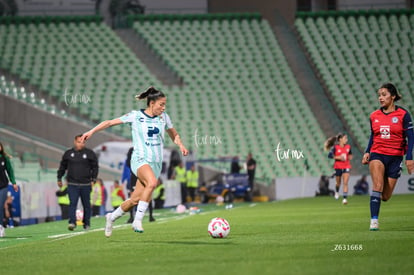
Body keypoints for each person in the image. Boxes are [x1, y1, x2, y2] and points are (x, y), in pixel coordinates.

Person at [81, 87, 188, 237]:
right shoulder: (136, 116)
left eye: (165, 105)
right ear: (151, 103)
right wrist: (91, 131)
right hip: (140, 159)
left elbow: (173, 133)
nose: (163, 107)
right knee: (151, 183)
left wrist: (180, 144)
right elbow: (110, 123)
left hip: (155, 163)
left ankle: (111, 217)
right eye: (161, 104)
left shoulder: (164, 117)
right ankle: (137, 220)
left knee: (135, 199)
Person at [362, 83, 414, 231]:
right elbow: (373, 135)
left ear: (393, 96)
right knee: (377, 186)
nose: (380, 97)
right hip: (377, 154)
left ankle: (375, 211)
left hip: (396, 157)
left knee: (385, 196)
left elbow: (411, 137)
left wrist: (409, 157)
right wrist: (367, 152)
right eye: (379, 95)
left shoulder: (403, 114)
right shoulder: (374, 116)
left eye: (384, 94)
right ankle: (374, 221)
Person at [57, 134, 99, 231]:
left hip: (86, 184)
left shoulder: (90, 153)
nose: (81, 144)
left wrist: (93, 179)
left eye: (83, 142)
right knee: (72, 203)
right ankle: (72, 222)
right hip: (72, 184)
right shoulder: (68, 153)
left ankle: (86, 223)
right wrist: (59, 178)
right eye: (79, 142)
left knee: (86, 205)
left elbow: (95, 167)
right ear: (75, 142)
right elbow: (62, 166)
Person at [325, 133, 353, 205]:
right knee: (338, 183)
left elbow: (350, 154)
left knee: (345, 183)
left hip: (346, 166)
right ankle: (337, 192)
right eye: (345, 138)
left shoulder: (348, 147)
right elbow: (329, 155)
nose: (346, 140)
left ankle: (344, 199)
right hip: (338, 167)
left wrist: (350, 157)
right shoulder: (335, 147)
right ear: (340, 139)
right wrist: (338, 157)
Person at [0, 142, 18, 237]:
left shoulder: (4, 158)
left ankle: (0, 227)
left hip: (3, 186)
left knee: (0, 206)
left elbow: (10, 171)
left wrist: (14, 182)